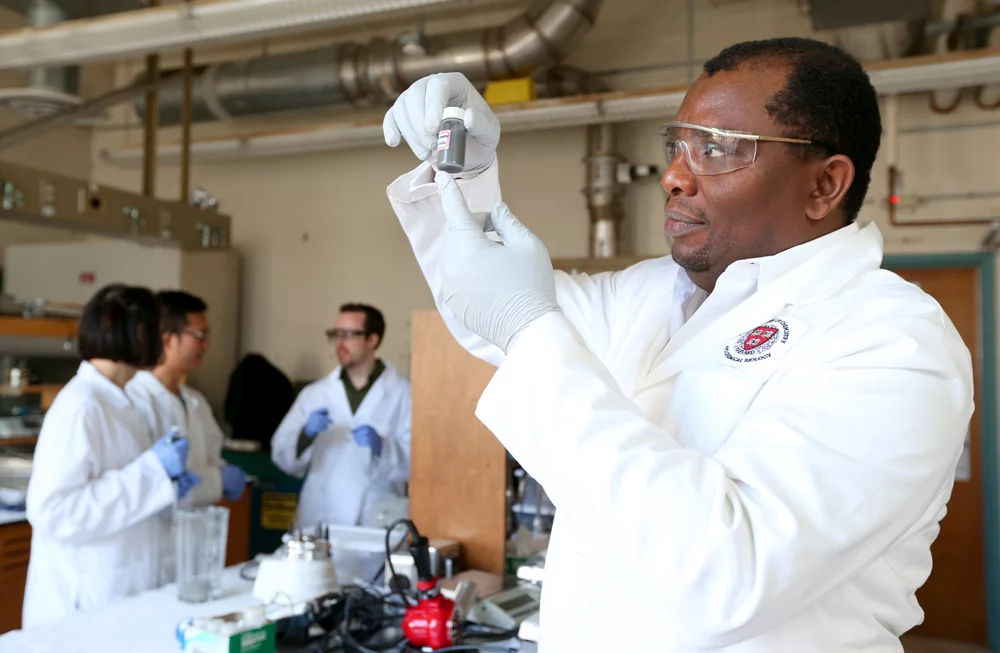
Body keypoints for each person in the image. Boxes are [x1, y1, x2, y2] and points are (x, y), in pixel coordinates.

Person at [384, 38, 974, 652]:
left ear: (825, 185)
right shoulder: (648, 293)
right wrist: (466, 174)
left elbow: (728, 575)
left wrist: (530, 325)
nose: (673, 176)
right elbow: (488, 316)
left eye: (716, 149)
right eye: (677, 145)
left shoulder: (893, 340)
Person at [23, 284, 200, 627]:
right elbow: (53, 512)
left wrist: (164, 486)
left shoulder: (119, 401)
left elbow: (120, 493)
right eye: (156, 329)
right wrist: (152, 473)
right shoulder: (82, 405)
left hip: (122, 590)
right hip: (82, 603)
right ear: (138, 333)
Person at [125, 291, 247, 584]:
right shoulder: (135, 400)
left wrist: (217, 477)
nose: (207, 344)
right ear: (167, 338)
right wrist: (215, 481)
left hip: (193, 549)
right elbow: (147, 485)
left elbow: (212, 461)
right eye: (200, 335)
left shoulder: (195, 401)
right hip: (149, 552)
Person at [271, 303, 411, 528]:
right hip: (320, 517)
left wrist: (383, 448)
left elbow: (419, 463)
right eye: (335, 334)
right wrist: (304, 436)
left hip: (374, 522)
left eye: (348, 335)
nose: (339, 343)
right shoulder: (315, 394)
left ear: (372, 340)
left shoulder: (404, 395)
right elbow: (281, 454)